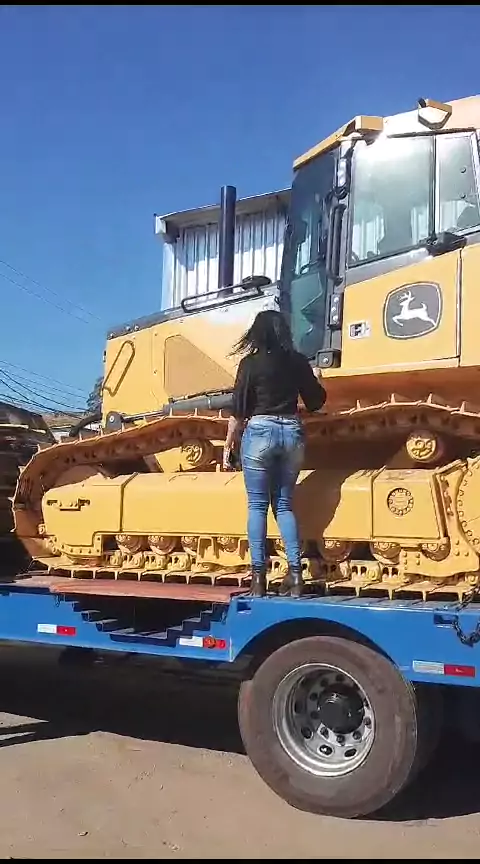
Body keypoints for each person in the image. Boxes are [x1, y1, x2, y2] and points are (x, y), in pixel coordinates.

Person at [223, 309, 326, 598]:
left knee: (257, 506)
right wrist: (318, 378)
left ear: (256, 333)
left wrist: (229, 443)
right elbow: (316, 401)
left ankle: (258, 580)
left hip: (259, 433)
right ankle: (296, 576)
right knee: (284, 505)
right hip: (291, 432)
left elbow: (239, 410)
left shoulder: (250, 364)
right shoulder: (298, 361)